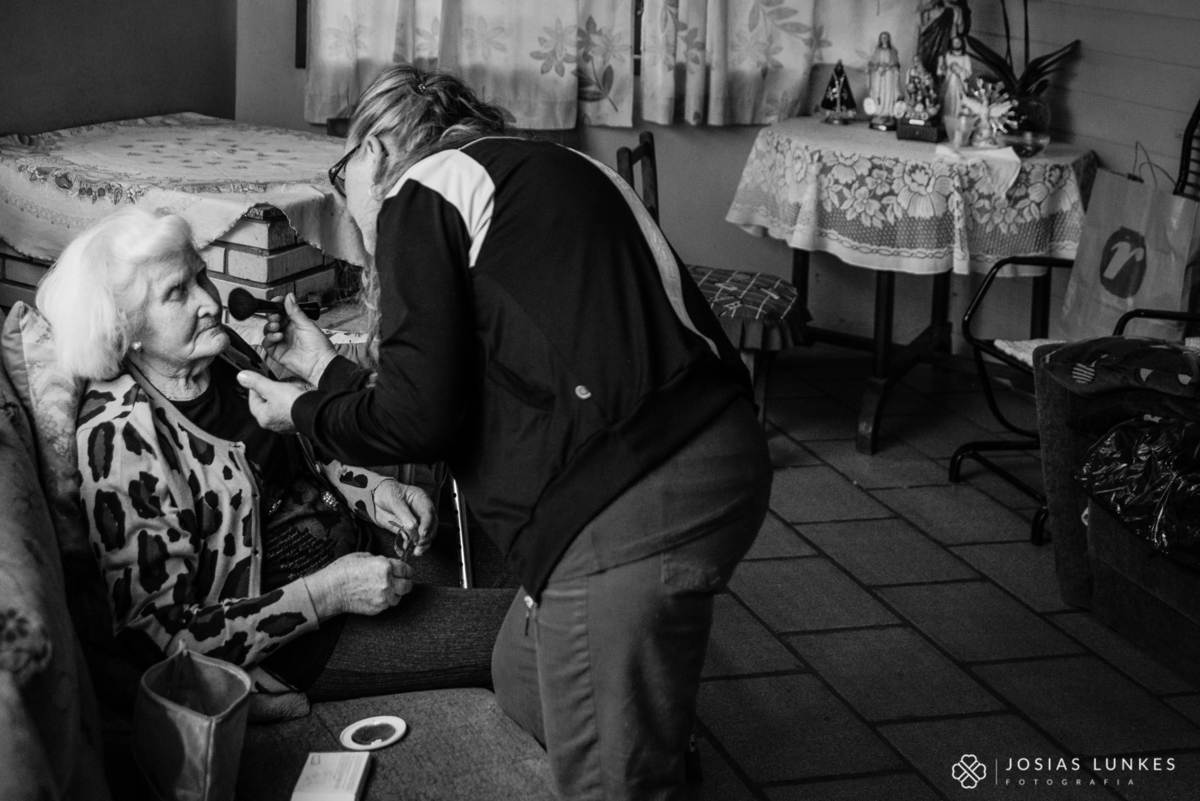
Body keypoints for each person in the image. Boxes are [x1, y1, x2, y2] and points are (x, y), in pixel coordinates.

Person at [237, 65, 771, 799]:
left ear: (381, 148)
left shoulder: (419, 192)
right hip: (722, 447)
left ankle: (636, 754)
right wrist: (326, 370)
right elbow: (442, 385)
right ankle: (643, 729)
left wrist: (298, 411)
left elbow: (416, 421)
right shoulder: (536, 169)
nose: (346, 194)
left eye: (344, 166)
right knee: (523, 671)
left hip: (632, 492)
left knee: (616, 781)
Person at [37, 206, 513, 703]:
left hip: (360, 555)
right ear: (125, 326)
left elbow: (304, 454)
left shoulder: (219, 357)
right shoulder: (122, 441)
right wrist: (327, 594)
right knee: (527, 633)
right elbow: (163, 640)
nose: (209, 302)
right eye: (177, 292)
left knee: (540, 564)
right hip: (296, 636)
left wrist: (375, 492)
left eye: (202, 275)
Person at [867, 32, 902, 125]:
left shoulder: (893, 50)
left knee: (888, 92)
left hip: (889, 75)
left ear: (889, 39)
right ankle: (879, 112)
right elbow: (872, 62)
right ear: (880, 39)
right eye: (883, 37)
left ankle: (888, 113)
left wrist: (889, 66)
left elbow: (896, 63)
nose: (884, 39)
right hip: (879, 74)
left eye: (886, 37)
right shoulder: (877, 50)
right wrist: (877, 66)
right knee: (879, 93)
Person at [938, 35, 973, 122]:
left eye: (958, 42)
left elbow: (969, 73)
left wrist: (960, 70)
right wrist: (942, 67)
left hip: (960, 85)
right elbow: (943, 71)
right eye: (954, 42)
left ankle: (958, 120)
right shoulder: (948, 55)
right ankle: (947, 120)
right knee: (948, 101)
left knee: (959, 102)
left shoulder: (966, 58)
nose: (956, 44)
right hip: (949, 84)